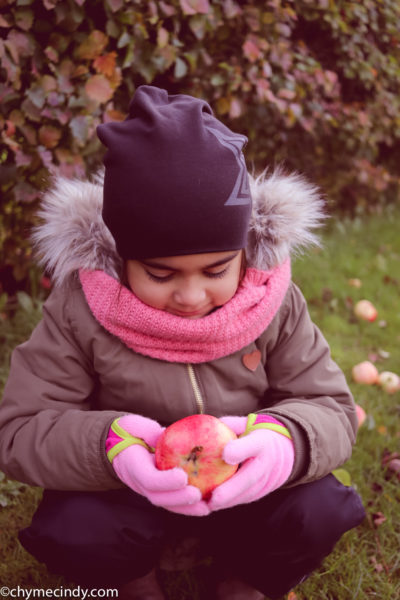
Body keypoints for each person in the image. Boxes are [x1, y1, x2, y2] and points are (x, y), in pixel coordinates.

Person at [0, 86, 365, 600]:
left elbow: (332, 407)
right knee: (72, 524)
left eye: (216, 270)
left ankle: (244, 581)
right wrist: (113, 446)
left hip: (245, 491)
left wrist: (286, 441)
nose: (191, 296)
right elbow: (21, 430)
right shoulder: (81, 309)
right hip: (132, 498)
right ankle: (134, 581)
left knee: (321, 506)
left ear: (243, 249)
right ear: (122, 257)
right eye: (160, 273)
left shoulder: (273, 301)